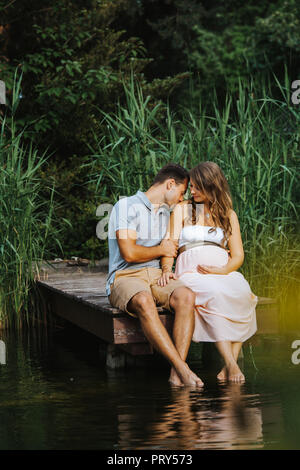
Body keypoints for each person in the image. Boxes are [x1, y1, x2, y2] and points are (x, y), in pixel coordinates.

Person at [157, 161, 257, 383]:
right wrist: (166, 268)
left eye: (197, 187)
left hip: (221, 271)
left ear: (212, 186)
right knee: (215, 294)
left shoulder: (228, 215)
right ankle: (231, 364)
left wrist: (222, 271)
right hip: (193, 271)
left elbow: (238, 256)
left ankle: (226, 367)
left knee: (244, 293)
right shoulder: (183, 209)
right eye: (191, 186)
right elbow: (169, 244)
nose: (192, 191)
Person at [106, 163, 204, 387]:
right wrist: (161, 249)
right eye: (181, 193)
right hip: (125, 276)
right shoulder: (126, 206)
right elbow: (129, 253)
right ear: (170, 184)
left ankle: (174, 373)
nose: (181, 199)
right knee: (143, 299)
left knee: (186, 296)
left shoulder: (167, 213)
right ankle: (183, 368)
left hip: (157, 276)